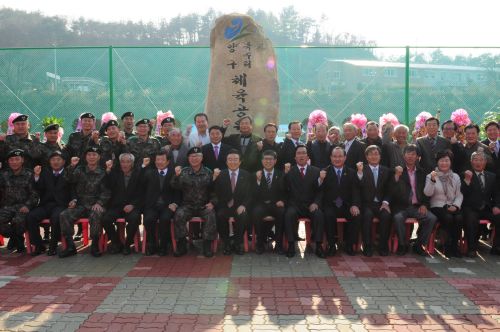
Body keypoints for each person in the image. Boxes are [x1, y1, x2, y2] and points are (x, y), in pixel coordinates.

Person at [59, 146, 111, 258]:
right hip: (81, 204)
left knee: (96, 215)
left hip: (96, 204)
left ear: (99, 157)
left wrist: (100, 203)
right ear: (85, 157)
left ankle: (95, 245)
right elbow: (68, 180)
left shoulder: (103, 172)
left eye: (94, 155)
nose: (91, 157)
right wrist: (71, 166)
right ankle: (70, 246)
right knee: (65, 215)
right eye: (89, 155)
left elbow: (107, 191)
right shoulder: (79, 170)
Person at [171, 147, 218, 257]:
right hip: (187, 205)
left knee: (211, 215)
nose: (194, 158)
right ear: (188, 158)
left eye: (197, 156)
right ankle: (182, 244)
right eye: (192, 156)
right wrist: (176, 176)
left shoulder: (208, 172)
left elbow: (215, 190)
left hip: (204, 205)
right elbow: (174, 186)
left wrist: (212, 203)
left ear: (202, 158)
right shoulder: (183, 172)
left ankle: (207, 246)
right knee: (178, 215)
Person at [390, 145, 437, 256]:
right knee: (398, 218)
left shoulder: (423, 172)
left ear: (418, 157)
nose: (410, 156)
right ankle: (402, 245)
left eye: (413, 154)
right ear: (403, 155)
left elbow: (427, 191)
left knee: (431, 218)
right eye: (408, 153)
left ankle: (418, 244)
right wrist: (396, 176)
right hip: (401, 206)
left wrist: (425, 204)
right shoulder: (397, 170)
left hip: (417, 206)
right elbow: (391, 191)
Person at [284, 145, 325, 258]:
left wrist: (316, 203)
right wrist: (285, 175)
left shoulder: (316, 171)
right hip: (295, 205)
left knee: (319, 215)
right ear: (295, 157)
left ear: (308, 157)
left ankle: (318, 245)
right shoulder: (290, 171)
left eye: (303, 153)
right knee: (289, 214)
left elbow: (320, 191)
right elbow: (284, 189)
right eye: (299, 153)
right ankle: (291, 245)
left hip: (310, 204)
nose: (301, 155)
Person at [27, 151, 71, 256]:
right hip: (45, 204)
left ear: (64, 162)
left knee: (56, 218)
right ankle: (38, 245)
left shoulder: (69, 173)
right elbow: (38, 188)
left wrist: (73, 200)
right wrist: (36, 177)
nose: (55, 162)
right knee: (30, 216)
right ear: (50, 162)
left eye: (58, 159)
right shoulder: (45, 172)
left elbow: (73, 189)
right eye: (53, 160)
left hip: (60, 205)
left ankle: (53, 245)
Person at [321, 147, 362, 256]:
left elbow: (356, 191)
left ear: (345, 158)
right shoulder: (324, 171)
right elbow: (320, 191)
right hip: (330, 205)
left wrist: (355, 205)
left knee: (356, 215)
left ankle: (349, 245)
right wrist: (320, 180)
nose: (337, 159)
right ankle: (331, 245)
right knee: (328, 215)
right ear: (330, 158)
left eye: (340, 156)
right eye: (334, 156)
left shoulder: (351, 172)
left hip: (346, 205)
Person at [423, 150, 463, 258]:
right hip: (437, 206)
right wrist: (432, 180)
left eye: (447, 161)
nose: (444, 163)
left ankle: (455, 246)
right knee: (448, 218)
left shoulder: (455, 176)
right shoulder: (431, 175)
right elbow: (427, 193)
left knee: (459, 218)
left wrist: (455, 206)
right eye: (441, 161)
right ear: (437, 162)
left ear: (450, 162)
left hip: (452, 205)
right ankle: (446, 246)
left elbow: (459, 194)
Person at [141, 148, 181, 256]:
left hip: (167, 205)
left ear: (168, 161)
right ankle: (152, 244)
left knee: (165, 219)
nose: (159, 162)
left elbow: (179, 191)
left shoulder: (174, 173)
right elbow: (140, 182)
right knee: (149, 219)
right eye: (157, 160)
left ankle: (164, 245)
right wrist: (143, 167)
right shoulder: (149, 173)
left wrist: (175, 203)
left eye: (162, 160)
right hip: (152, 205)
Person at [101, 153, 142, 255]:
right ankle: (117, 243)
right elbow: (106, 185)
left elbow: (142, 193)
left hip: (132, 206)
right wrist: (108, 171)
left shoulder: (139, 174)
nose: (125, 164)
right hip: (117, 206)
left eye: (128, 162)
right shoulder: (115, 173)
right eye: (122, 162)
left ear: (132, 163)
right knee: (105, 219)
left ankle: (127, 245)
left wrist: (133, 205)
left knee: (134, 219)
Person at [461, 151, 500, 257]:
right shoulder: (465, 174)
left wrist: (497, 206)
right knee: (470, 219)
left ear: (485, 162)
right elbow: (462, 194)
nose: (478, 162)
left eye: (481, 160)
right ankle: (472, 248)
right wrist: (467, 181)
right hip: (471, 207)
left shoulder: (492, 176)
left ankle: (496, 247)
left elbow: (497, 193)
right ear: (471, 161)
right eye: (476, 159)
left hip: (487, 208)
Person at [214, 149, 252, 255]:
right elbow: (216, 193)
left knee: (243, 215)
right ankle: (226, 243)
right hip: (225, 206)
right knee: (220, 215)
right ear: (226, 162)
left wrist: (244, 205)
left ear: (240, 161)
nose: (233, 162)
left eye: (235, 159)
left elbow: (250, 194)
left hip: (239, 206)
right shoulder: (221, 175)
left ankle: (237, 243)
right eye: (230, 159)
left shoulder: (247, 175)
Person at [0, 149, 38, 253]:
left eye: (17, 159)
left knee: (18, 221)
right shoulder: (3, 174)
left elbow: (34, 194)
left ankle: (17, 239)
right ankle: (16, 237)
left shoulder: (29, 174)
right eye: (11, 160)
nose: (14, 162)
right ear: (8, 162)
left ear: (22, 160)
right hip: (7, 207)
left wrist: (28, 206)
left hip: (23, 207)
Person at [357, 145, 392, 256]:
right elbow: (358, 186)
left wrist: (385, 202)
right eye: (371, 154)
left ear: (380, 156)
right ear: (366, 157)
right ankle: (367, 246)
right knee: (367, 216)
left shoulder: (386, 170)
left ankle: (383, 245)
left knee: (386, 215)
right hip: (367, 204)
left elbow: (390, 189)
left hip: (381, 204)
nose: (374, 156)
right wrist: (360, 173)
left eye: (376, 154)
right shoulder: (362, 169)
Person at [252, 150, 286, 255]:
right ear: (262, 161)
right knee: (256, 212)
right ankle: (260, 243)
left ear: (275, 161)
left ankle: (279, 245)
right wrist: (257, 181)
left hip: (276, 204)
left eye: (270, 159)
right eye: (265, 159)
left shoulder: (281, 174)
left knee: (282, 212)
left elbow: (286, 191)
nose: (268, 161)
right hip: (261, 204)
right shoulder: (256, 175)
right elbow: (252, 194)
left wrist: (283, 201)